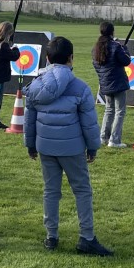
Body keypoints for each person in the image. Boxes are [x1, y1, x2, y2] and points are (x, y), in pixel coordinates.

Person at [23, 36, 112, 256]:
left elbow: (29, 120)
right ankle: (87, 237)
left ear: (46, 58)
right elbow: (89, 124)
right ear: (71, 58)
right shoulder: (81, 88)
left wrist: (30, 145)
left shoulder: (35, 86)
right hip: (73, 149)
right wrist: (93, 147)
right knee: (82, 191)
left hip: (45, 147)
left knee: (51, 191)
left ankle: (51, 236)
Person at [91, 20, 133, 148]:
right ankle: (114, 140)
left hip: (106, 84)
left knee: (109, 110)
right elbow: (126, 61)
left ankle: (103, 137)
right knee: (120, 111)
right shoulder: (116, 46)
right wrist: (125, 49)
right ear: (112, 32)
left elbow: (96, 65)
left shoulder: (96, 48)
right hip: (118, 83)